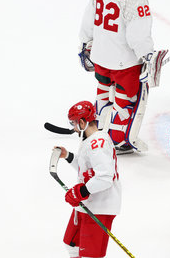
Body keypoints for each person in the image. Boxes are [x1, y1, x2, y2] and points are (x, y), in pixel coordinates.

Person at [79, 0, 155, 154]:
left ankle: (96, 131)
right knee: (125, 99)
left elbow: (89, 16)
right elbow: (138, 34)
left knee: (103, 91)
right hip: (124, 62)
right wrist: (147, 56)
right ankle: (118, 141)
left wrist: (85, 42)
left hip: (100, 56)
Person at [56, 101, 122, 258]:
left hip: (100, 206)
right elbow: (87, 169)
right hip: (88, 203)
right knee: (72, 244)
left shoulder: (97, 144)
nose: (73, 127)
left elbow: (105, 177)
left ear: (82, 122)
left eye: (73, 122)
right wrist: (68, 156)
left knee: (90, 255)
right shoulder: (91, 139)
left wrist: (81, 191)